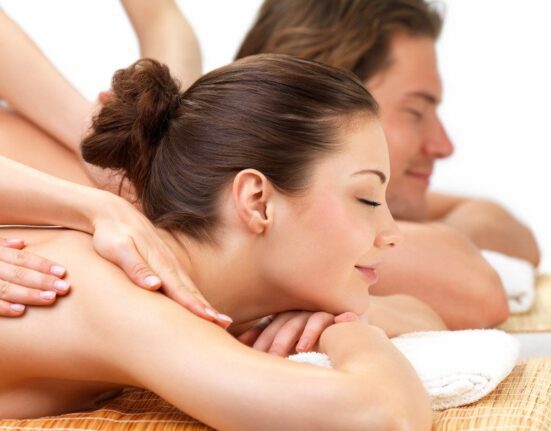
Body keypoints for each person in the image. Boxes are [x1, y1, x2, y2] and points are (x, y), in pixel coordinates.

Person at [0, 55, 434, 430]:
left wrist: (339, 321)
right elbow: (384, 416)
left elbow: (425, 313)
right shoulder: (122, 292)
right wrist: (353, 334)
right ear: (257, 201)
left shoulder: (210, 295)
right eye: (367, 199)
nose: (391, 234)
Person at [234, 0, 541, 328]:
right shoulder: (271, 228)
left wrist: (432, 239)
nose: (444, 145)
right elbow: (477, 289)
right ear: (319, 104)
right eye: (415, 112)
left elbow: (507, 231)